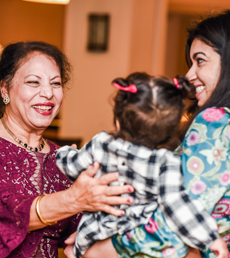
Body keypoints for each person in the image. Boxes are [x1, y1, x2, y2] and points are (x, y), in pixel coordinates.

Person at [67, 10, 230, 258]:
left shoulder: (216, 120)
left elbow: (173, 222)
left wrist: (100, 250)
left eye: (200, 60)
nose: (189, 75)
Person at [0, 41, 134, 258]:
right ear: (5, 88)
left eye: (55, 83)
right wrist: (75, 199)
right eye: (33, 82)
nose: (48, 93)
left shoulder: (62, 158)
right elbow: (5, 211)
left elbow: (84, 234)